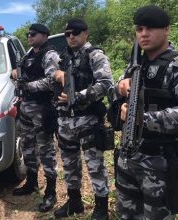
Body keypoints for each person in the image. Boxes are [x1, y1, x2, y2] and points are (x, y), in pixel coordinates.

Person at [114, 5, 178, 219]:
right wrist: (119, 87)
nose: (144, 34)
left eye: (151, 28)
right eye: (139, 29)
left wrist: (143, 119)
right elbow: (113, 89)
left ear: (166, 30)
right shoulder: (135, 66)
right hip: (128, 156)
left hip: (159, 162)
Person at [53, 18, 115, 219]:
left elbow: (106, 84)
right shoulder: (64, 57)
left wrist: (79, 96)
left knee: (95, 166)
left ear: (86, 33)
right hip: (66, 120)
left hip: (88, 119)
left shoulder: (94, 55)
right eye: (68, 34)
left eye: (76, 32)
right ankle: (75, 202)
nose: (71, 36)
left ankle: (101, 207)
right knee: (69, 165)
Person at [11, 23, 60, 212]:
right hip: (26, 108)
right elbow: (19, 74)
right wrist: (15, 74)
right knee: (28, 147)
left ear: (45, 36)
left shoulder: (50, 55)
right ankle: (31, 183)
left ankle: (51, 192)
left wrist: (28, 86)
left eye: (33, 34)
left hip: (43, 108)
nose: (29, 36)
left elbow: (52, 81)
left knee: (46, 149)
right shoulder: (28, 55)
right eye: (28, 34)